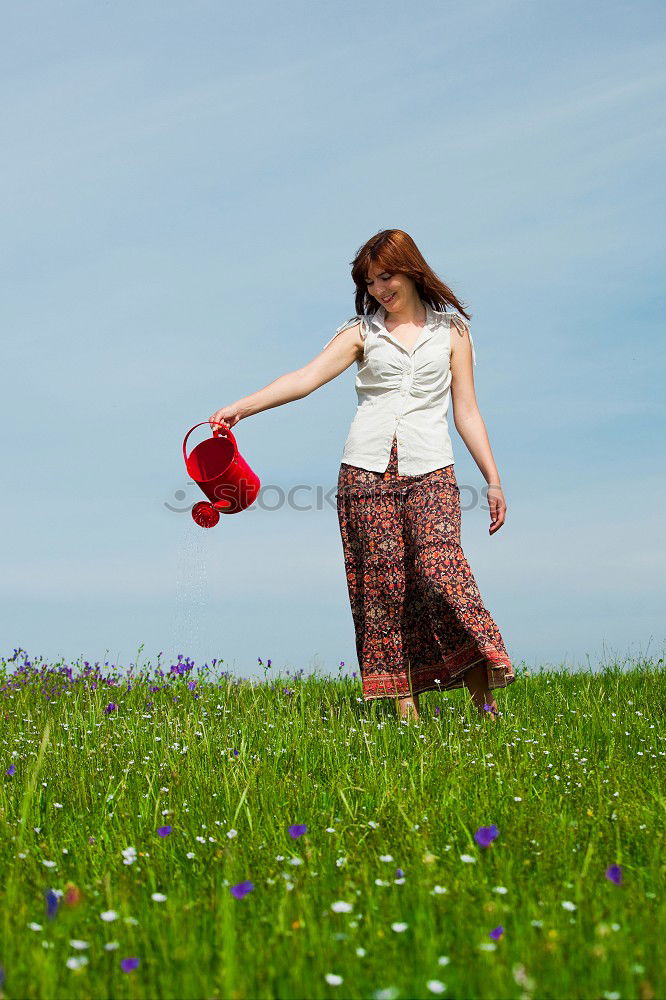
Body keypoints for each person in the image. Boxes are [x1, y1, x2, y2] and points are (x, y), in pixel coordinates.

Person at [210, 229, 515, 723]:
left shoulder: (453, 333)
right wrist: (242, 407)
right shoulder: (361, 332)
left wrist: (493, 479)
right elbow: (304, 379)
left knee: (443, 574)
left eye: (386, 276)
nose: (379, 289)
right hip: (365, 473)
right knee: (382, 588)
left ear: (412, 270)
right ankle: (405, 714)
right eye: (370, 281)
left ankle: (485, 706)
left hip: (432, 468)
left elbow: (467, 412)